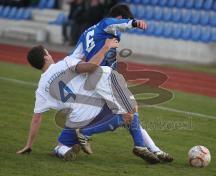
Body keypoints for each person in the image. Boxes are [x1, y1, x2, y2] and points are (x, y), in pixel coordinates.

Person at [16, 38, 160, 164]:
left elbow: (36, 119)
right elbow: (91, 66)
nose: (50, 54)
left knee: (61, 143)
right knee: (129, 112)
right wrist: (106, 47)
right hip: (94, 110)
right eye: (47, 52)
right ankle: (147, 147)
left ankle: (63, 151)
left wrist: (29, 145)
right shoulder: (65, 63)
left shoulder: (41, 88)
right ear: (46, 57)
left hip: (75, 120)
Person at [70, 3, 173, 162]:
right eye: (123, 21)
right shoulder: (107, 23)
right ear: (118, 18)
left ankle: (152, 149)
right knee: (128, 114)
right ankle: (85, 132)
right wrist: (134, 23)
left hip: (97, 76)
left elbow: (75, 56)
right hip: (103, 75)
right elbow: (115, 24)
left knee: (131, 111)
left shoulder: (87, 31)